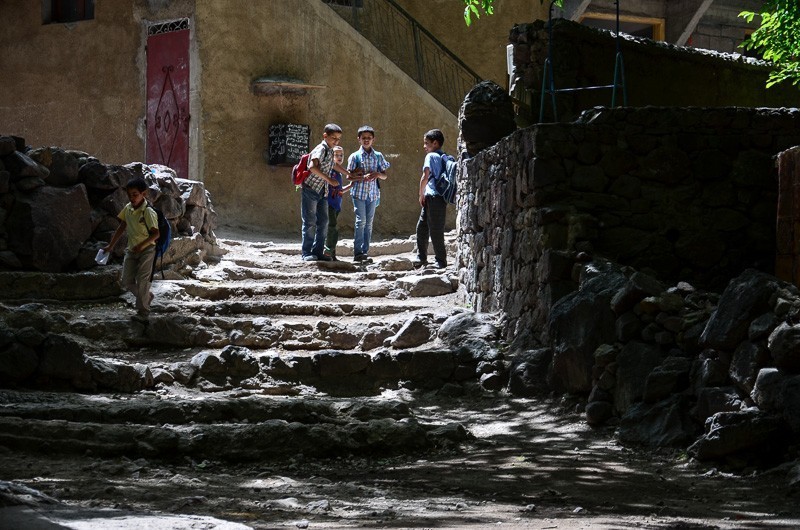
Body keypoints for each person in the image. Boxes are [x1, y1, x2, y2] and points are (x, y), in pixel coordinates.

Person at [103, 177, 160, 323]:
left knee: (142, 280)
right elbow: (122, 226)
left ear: (144, 194)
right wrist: (111, 246)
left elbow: (156, 234)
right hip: (131, 249)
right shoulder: (128, 208)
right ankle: (147, 297)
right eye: (129, 195)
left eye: (135, 194)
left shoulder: (148, 212)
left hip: (147, 250)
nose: (132, 198)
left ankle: (143, 311)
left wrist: (142, 245)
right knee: (126, 281)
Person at [302, 123, 354, 262]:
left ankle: (318, 252)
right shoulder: (321, 149)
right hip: (311, 189)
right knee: (310, 222)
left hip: (322, 191)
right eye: (333, 138)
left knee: (324, 222)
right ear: (325, 136)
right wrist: (329, 180)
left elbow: (334, 165)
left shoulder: (330, 150)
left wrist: (348, 174)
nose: (336, 141)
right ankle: (306, 253)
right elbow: (312, 167)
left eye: (338, 139)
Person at [347, 125, 390, 262]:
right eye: (363, 138)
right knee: (361, 221)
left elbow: (384, 176)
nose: (366, 140)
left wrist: (377, 174)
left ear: (373, 139)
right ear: (358, 139)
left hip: (373, 194)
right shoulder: (355, 157)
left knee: (369, 223)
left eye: (369, 138)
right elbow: (349, 176)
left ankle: (365, 251)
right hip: (358, 193)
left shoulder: (378, 156)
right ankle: (358, 252)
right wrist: (359, 176)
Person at [414, 128, 449, 269]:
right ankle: (421, 257)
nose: (424, 147)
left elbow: (425, 176)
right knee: (422, 227)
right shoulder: (444, 156)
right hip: (438, 197)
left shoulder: (430, 156)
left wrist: (420, 194)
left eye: (426, 143)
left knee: (435, 230)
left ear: (435, 143)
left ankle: (440, 261)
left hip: (432, 196)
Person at [323, 146, 351, 261]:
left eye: (341, 155)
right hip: (329, 203)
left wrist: (349, 187)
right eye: (336, 155)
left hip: (336, 204)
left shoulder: (339, 173)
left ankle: (332, 254)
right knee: (331, 227)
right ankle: (328, 250)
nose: (339, 157)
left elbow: (339, 190)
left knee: (333, 227)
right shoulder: (330, 170)